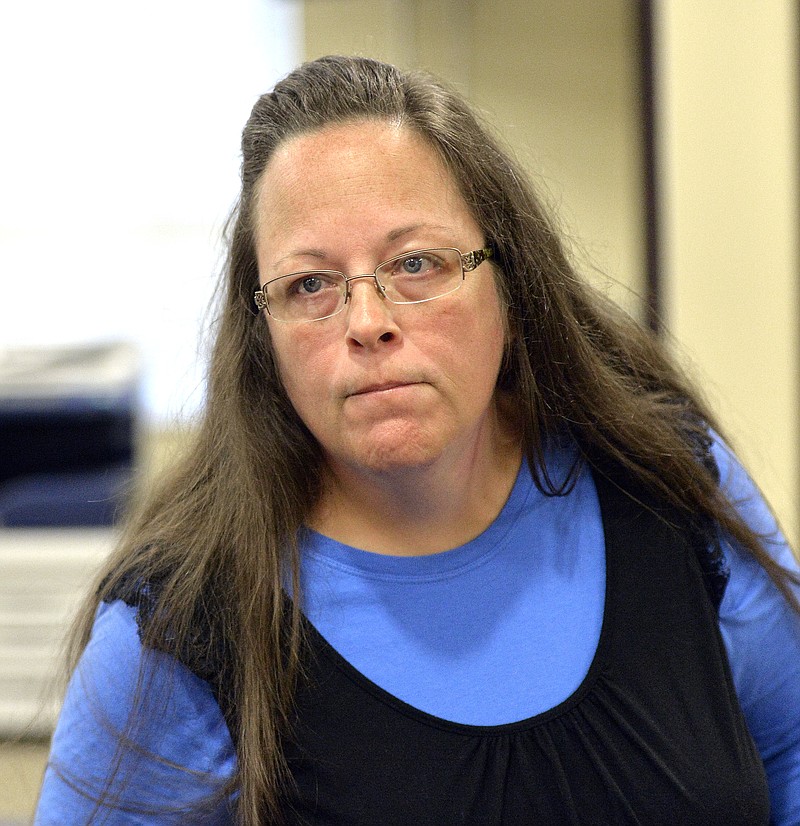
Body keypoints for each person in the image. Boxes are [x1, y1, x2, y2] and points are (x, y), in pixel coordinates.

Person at [36, 55, 800, 825]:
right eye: (310, 285)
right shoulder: (184, 623)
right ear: (262, 332)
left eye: (416, 264)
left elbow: (792, 751)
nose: (367, 322)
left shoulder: (663, 474)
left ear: (509, 277)